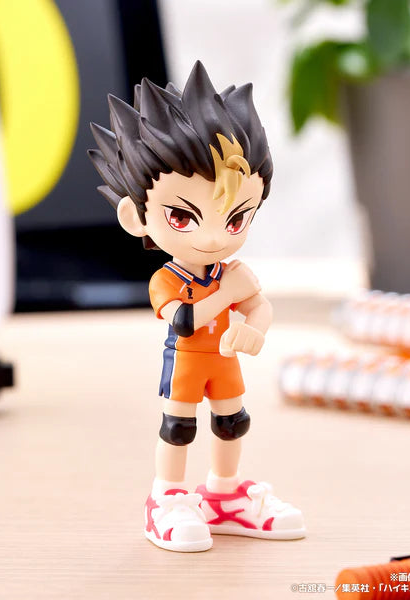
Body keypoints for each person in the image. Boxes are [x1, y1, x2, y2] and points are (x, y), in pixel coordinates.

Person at [89, 61, 305, 552]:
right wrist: (228, 295)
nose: (213, 238)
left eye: (235, 220)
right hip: (187, 363)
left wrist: (256, 328)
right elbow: (182, 321)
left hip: (224, 362)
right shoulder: (168, 279)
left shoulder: (229, 274)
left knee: (232, 422)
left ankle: (224, 496)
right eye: (183, 217)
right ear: (135, 217)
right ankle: (166, 498)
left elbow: (259, 306)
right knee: (178, 427)